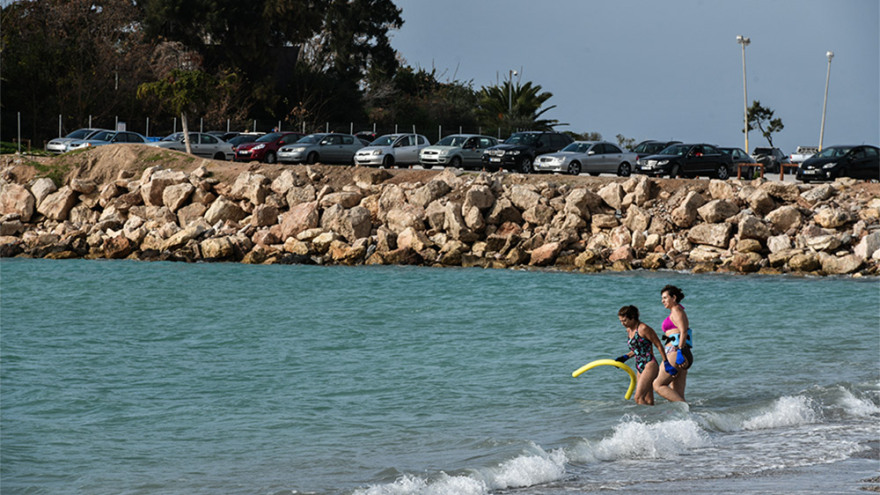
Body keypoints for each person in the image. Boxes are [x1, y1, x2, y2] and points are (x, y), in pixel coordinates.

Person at [614, 305, 666, 405]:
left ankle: (643, 420)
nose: (622, 323)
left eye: (624, 320)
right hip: (639, 366)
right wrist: (625, 357)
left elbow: (658, 345)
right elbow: (638, 349)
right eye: (621, 321)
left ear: (633, 317)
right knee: (648, 400)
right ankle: (653, 419)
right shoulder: (629, 330)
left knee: (638, 398)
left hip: (649, 364)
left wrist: (666, 362)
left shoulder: (643, 328)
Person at [653, 285, 693, 403]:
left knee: (658, 385)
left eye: (665, 298)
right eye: (662, 298)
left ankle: (686, 408)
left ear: (674, 298)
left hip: (676, 352)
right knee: (677, 393)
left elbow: (683, 331)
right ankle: (687, 418)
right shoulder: (677, 310)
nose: (662, 301)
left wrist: (680, 352)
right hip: (678, 352)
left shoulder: (676, 310)